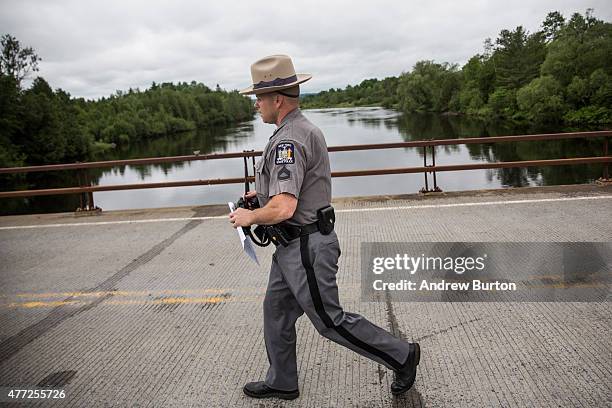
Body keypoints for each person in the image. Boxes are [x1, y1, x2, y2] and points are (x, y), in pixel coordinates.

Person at [229, 55, 420, 400]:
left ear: (278, 100)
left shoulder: (290, 140)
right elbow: (291, 189)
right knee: (276, 311)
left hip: (306, 248)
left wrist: (250, 217)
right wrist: (260, 193)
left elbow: (285, 206)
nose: (255, 105)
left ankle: (402, 355)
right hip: (292, 246)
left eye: (258, 98)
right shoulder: (292, 132)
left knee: (330, 321)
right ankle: (282, 380)